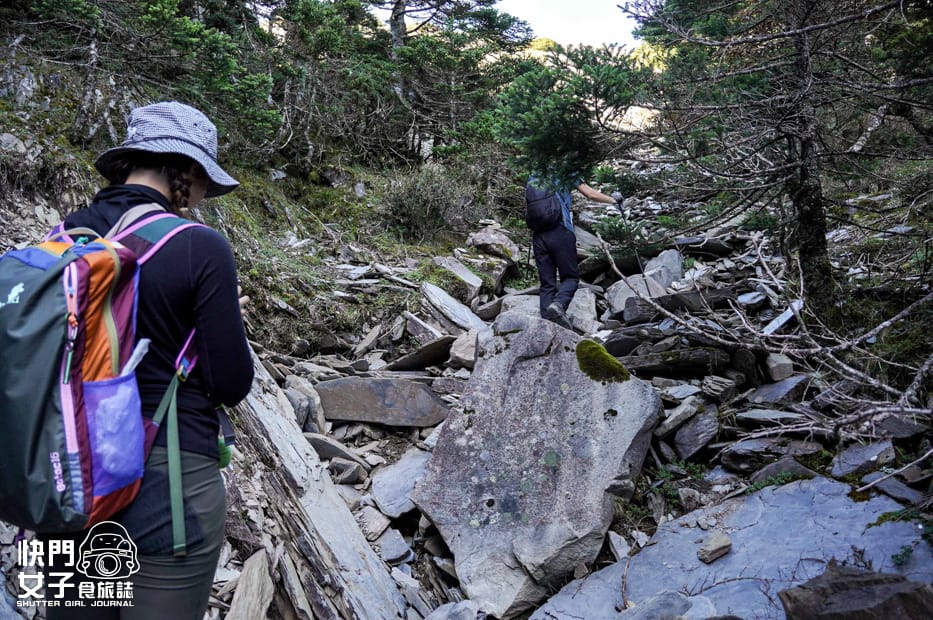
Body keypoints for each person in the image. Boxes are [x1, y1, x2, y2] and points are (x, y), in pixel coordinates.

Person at [43, 101, 254, 619]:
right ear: (186, 171)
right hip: (167, 477)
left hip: (67, 470)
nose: (204, 195)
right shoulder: (200, 248)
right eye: (205, 180)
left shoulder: (64, 240)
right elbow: (232, 382)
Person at [527, 173, 619, 330]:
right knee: (570, 278)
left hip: (539, 236)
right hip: (560, 230)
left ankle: (546, 328)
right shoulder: (565, 169)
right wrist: (614, 201)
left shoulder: (533, 173)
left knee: (547, 284)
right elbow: (590, 194)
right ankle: (559, 304)